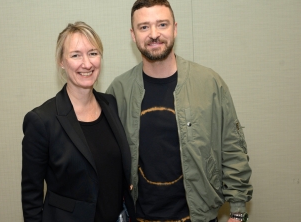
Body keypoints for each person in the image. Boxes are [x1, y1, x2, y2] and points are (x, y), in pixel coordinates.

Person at [106, 1, 253, 222]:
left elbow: (232, 148)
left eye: (162, 24)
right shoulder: (119, 91)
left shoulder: (209, 84)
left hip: (198, 217)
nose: (154, 34)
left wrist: (238, 211)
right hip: (138, 216)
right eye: (144, 27)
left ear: (175, 28)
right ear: (133, 34)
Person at [21, 21, 135, 222]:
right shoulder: (41, 121)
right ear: (61, 61)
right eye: (76, 55)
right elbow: (31, 197)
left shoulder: (110, 104)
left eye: (93, 53)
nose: (87, 63)